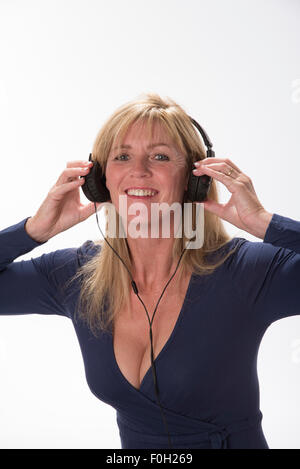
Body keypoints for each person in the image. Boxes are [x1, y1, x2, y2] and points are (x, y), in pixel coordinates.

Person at [1, 92, 300, 449]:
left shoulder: (247, 272)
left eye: (160, 156)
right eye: (122, 156)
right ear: (99, 179)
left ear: (195, 179)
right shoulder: (78, 276)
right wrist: (33, 231)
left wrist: (266, 224)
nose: (138, 170)